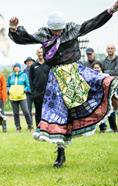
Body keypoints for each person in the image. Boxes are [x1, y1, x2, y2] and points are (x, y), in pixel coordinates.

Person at [8, 1, 118, 168]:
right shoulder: (44, 34)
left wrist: (111, 10)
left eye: (59, 29)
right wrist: (14, 29)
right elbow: (26, 38)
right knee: (59, 115)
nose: (58, 32)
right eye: (55, 30)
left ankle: (113, 102)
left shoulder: (72, 29)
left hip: (75, 72)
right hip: (56, 77)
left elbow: (93, 23)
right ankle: (60, 153)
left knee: (105, 81)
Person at [7, 63, 33, 132]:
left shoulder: (24, 75)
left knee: (26, 112)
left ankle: (30, 126)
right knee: (15, 113)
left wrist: (24, 90)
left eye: (17, 67)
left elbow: (28, 85)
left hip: (22, 97)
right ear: (13, 68)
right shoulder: (10, 76)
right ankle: (18, 127)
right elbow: (8, 85)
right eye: (15, 67)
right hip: (13, 97)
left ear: (19, 68)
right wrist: (9, 90)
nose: (16, 68)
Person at [29, 48, 50, 127]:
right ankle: (39, 127)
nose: (40, 54)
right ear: (36, 54)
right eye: (38, 52)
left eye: (41, 52)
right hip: (37, 93)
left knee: (48, 111)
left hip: (48, 93)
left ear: (43, 53)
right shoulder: (33, 66)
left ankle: (48, 127)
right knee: (38, 111)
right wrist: (33, 92)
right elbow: (30, 80)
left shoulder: (48, 64)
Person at [102, 43, 118, 132]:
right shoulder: (104, 61)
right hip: (109, 87)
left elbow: (116, 72)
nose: (110, 50)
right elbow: (103, 72)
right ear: (106, 50)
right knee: (111, 106)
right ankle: (113, 128)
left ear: (115, 49)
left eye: (112, 48)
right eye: (108, 48)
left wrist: (107, 73)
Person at [90, 61, 108, 133]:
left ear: (101, 68)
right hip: (94, 98)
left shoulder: (105, 75)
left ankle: (103, 128)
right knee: (94, 114)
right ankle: (92, 129)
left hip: (103, 97)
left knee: (103, 113)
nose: (96, 69)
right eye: (94, 68)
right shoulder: (90, 76)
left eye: (98, 67)